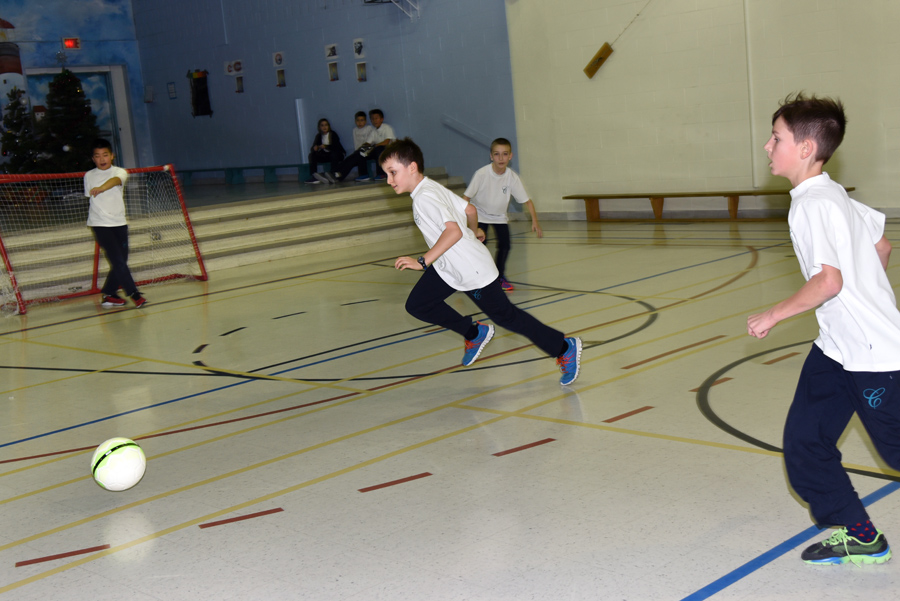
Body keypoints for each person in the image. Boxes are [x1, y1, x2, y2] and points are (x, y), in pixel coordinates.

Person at [747, 93, 900, 565]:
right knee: (805, 443)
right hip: (836, 350)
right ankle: (859, 533)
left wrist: (773, 314)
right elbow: (882, 244)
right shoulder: (834, 193)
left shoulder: (812, 204)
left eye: (778, 138)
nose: (768, 146)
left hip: (874, 358)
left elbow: (828, 281)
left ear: (807, 148)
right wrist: (864, 293)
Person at [383, 137, 582, 385]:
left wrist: (423, 262)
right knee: (418, 304)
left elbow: (454, 232)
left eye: (393, 173)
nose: (389, 180)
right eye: (387, 174)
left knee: (507, 317)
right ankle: (474, 332)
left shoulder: (424, 198)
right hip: (448, 267)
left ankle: (564, 348)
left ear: (411, 167)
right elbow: (469, 211)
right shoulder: (429, 187)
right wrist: (475, 231)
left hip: (471, 270)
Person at [463, 138, 543, 292]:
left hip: (499, 217)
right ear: (491, 156)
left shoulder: (512, 177)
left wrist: (535, 221)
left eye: (504, 154)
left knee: (505, 245)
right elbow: (466, 197)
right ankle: (473, 277)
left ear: (510, 156)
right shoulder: (481, 174)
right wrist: (463, 219)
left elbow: (527, 201)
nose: (501, 158)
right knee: (480, 247)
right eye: (497, 154)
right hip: (479, 215)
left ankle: (499, 276)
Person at [84, 139, 147, 308]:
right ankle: (134, 294)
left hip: (119, 223)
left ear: (112, 156)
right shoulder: (89, 176)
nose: (102, 159)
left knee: (120, 261)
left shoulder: (120, 172)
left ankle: (109, 294)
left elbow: (115, 181)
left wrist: (102, 188)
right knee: (118, 261)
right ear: (93, 159)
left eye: (105, 155)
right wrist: (99, 188)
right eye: (97, 156)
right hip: (100, 224)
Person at [317, 109, 395, 183]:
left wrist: (375, 145)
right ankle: (337, 174)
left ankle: (381, 174)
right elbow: (368, 143)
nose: (374, 121)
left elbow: (387, 142)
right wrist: (361, 149)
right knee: (359, 153)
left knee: (379, 149)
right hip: (376, 150)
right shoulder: (374, 130)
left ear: (382, 119)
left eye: (376, 118)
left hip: (386, 150)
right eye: (372, 119)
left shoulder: (386, 127)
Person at [304, 118, 345, 184]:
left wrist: (326, 146)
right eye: (322, 125)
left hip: (337, 154)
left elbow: (336, 147)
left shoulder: (333, 134)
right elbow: (313, 147)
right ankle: (314, 176)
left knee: (334, 154)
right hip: (326, 155)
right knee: (312, 155)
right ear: (319, 127)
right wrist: (315, 148)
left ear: (328, 126)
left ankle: (332, 174)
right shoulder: (319, 136)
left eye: (326, 125)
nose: (324, 127)